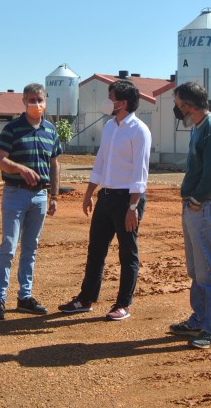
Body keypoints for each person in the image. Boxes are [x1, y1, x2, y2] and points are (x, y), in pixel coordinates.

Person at [59, 78, 151, 321]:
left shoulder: (140, 130)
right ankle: (86, 299)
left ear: (123, 102)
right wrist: (89, 193)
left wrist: (133, 207)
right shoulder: (110, 127)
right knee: (96, 250)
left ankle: (123, 304)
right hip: (106, 197)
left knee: (127, 253)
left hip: (126, 200)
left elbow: (140, 174)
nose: (108, 102)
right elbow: (100, 163)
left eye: (111, 98)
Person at [0, 83, 62, 320]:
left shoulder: (51, 130)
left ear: (46, 101)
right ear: (23, 101)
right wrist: (20, 169)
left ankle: (24, 297)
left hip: (40, 196)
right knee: (8, 247)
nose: (36, 104)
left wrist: (54, 196)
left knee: (30, 248)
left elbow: (54, 163)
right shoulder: (12, 129)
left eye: (39, 99)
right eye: (31, 100)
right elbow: (0, 161)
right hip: (15, 194)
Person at [168, 81, 211, 349]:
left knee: (209, 269)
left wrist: (196, 199)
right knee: (197, 269)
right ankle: (199, 319)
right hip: (196, 206)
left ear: (187, 105)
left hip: (204, 206)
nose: (176, 108)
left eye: (177, 102)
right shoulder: (199, 127)